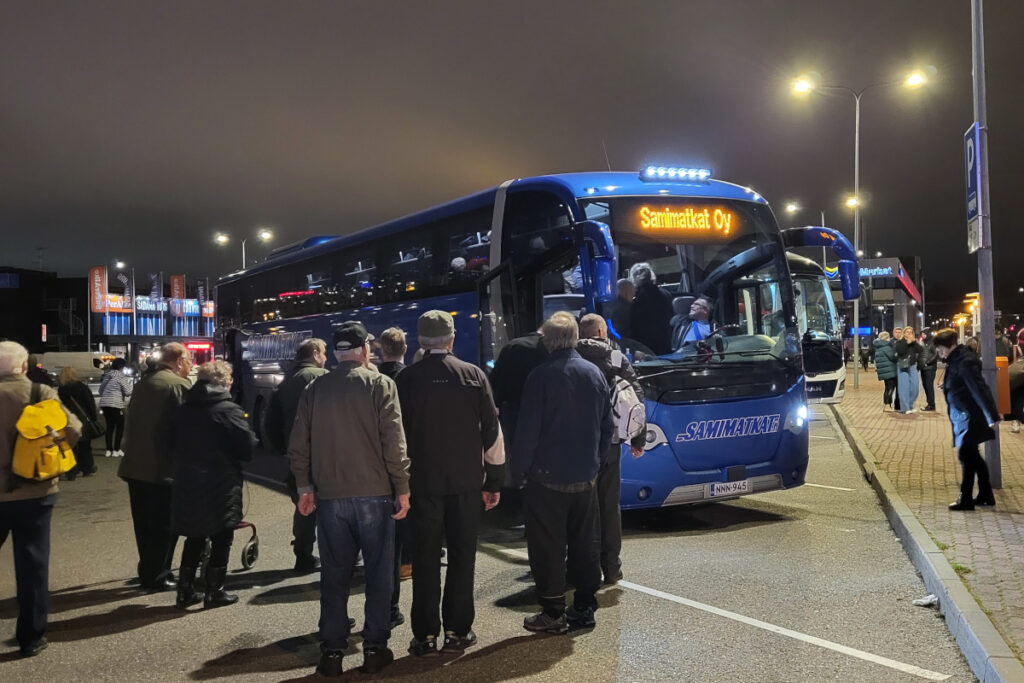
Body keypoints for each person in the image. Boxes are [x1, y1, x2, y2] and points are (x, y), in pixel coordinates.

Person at [289, 321, 411, 677]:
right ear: (364, 351)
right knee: (377, 573)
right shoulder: (380, 384)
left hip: (330, 496)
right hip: (374, 494)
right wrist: (401, 487)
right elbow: (394, 442)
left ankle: (331, 652)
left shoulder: (316, 387)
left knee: (334, 575)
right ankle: (375, 648)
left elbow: (299, 445)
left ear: (338, 353)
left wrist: (304, 487)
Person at [395, 311, 503, 656]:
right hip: (466, 484)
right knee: (462, 558)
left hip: (421, 484)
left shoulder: (405, 380)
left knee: (425, 560)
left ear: (420, 341)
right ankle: (457, 631)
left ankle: (424, 635)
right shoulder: (473, 376)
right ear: (452, 339)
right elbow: (492, 434)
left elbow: (394, 437)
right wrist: (495, 481)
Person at [512, 312, 613, 633]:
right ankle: (584, 607)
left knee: (548, 547)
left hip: (546, 479)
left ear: (548, 340)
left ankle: (553, 612)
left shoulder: (540, 377)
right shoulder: (594, 373)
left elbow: (528, 431)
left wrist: (520, 473)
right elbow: (607, 427)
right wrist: (594, 463)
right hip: (585, 476)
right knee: (585, 545)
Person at [0, 341, 81, 657]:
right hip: (34, 491)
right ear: (22, 366)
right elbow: (73, 429)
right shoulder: (40, 394)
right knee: (33, 564)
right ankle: (31, 637)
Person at [170, 360, 255, 608]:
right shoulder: (228, 410)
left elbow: (168, 441)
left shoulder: (183, 409)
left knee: (194, 535)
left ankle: (185, 591)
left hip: (187, 478)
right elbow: (246, 448)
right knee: (221, 535)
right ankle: (214, 590)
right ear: (224, 382)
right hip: (220, 479)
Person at [575, 313, 645, 585]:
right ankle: (612, 568)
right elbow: (635, 396)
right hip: (612, 442)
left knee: (581, 507)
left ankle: (584, 566)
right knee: (608, 505)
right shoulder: (616, 358)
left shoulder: (570, 356)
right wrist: (638, 439)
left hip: (579, 444)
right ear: (602, 332)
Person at [118, 342, 192, 592]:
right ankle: (158, 574)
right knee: (163, 525)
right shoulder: (177, 385)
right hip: (162, 468)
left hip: (134, 466)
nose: (191, 365)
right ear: (179, 361)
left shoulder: (144, 383)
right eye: (189, 360)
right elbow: (186, 428)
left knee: (144, 523)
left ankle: (148, 569)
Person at [264, 338, 328, 574]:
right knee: (330, 507)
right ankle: (335, 555)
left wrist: (285, 449)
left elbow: (270, 423)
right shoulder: (322, 379)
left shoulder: (284, 383)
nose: (325, 357)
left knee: (303, 505)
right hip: (322, 454)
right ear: (314, 353)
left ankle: (303, 554)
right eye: (323, 353)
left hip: (295, 457)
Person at [933, 329, 1000, 510]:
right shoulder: (958, 359)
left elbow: (979, 389)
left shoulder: (964, 362)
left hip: (970, 417)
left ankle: (966, 498)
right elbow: (963, 384)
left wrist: (991, 416)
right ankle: (985, 494)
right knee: (972, 455)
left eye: (941, 349)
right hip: (965, 415)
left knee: (967, 455)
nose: (940, 353)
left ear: (950, 345)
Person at [375, 327, 413, 622]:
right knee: (403, 519)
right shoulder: (409, 377)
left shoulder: (373, 380)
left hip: (375, 465)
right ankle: (405, 565)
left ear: (380, 349)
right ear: (405, 347)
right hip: (405, 459)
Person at [57, 366, 98, 478]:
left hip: (68, 420)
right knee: (85, 446)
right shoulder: (81, 387)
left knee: (70, 446)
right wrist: (93, 417)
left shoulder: (61, 389)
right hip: (82, 419)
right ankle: (87, 468)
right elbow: (90, 403)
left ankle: (71, 471)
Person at [628, 263, 673, 355]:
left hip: (645, 347)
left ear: (634, 277)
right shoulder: (665, 294)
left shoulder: (637, 299)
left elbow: (635, 325)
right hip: (665, 343)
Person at [99, 358, 132, 457]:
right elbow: (128, 391)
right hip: (116, 404)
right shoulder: (121, 376)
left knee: (109, 427)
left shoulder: (107, 375)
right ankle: (116, 450)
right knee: (120, 427)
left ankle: (108, 450)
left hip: (105, 404)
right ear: (122, 367)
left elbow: (101, 390)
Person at [894, 326, 921, 414]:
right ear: (904, 333)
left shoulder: (913, 343)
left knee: (915, 387)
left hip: (912, 366)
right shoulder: (900, 342)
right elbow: (900, 351)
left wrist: (914, 342)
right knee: (904, 388)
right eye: (907, 332)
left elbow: (920, 350)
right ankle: (904, 408)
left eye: (911, 332)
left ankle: (910, 405)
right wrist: (907, 343)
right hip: (903, 366)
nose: (909, 334)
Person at [873, 332, 899, 411]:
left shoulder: (879, 347)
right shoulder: (886, 347)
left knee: (887, 388)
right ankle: (887, 405)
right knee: (890, 388)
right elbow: (893, 357)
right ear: (886, 338)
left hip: (885, 371)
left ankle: (886, 404)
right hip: (890, 371)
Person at [919, 329, 938, 411]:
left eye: (924, 334)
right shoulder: (923, 343)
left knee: (929, 386)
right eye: (922, 334)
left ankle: (931, 404)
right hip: (923, 368)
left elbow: (936, 354)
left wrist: (928, 362)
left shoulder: (932, 342)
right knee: (925, 385)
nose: (923, 335)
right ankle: (929, 403)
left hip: (930, 368)